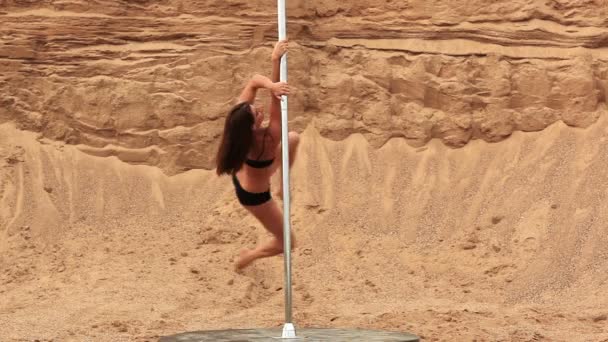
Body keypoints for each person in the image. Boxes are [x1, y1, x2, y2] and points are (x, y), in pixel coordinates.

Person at [215, 40, 300, 270]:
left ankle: (282, 184)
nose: (259, 110)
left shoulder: (237, 119)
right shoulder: (267, 140)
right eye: (257, 114)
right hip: (254, 196)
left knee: (292, 138)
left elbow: (254, 81)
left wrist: (274, 62)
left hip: (247, 172)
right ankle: (248, 257)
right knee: (288, 242)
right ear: (253, 127)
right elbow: (276, 100)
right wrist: (274, 83)